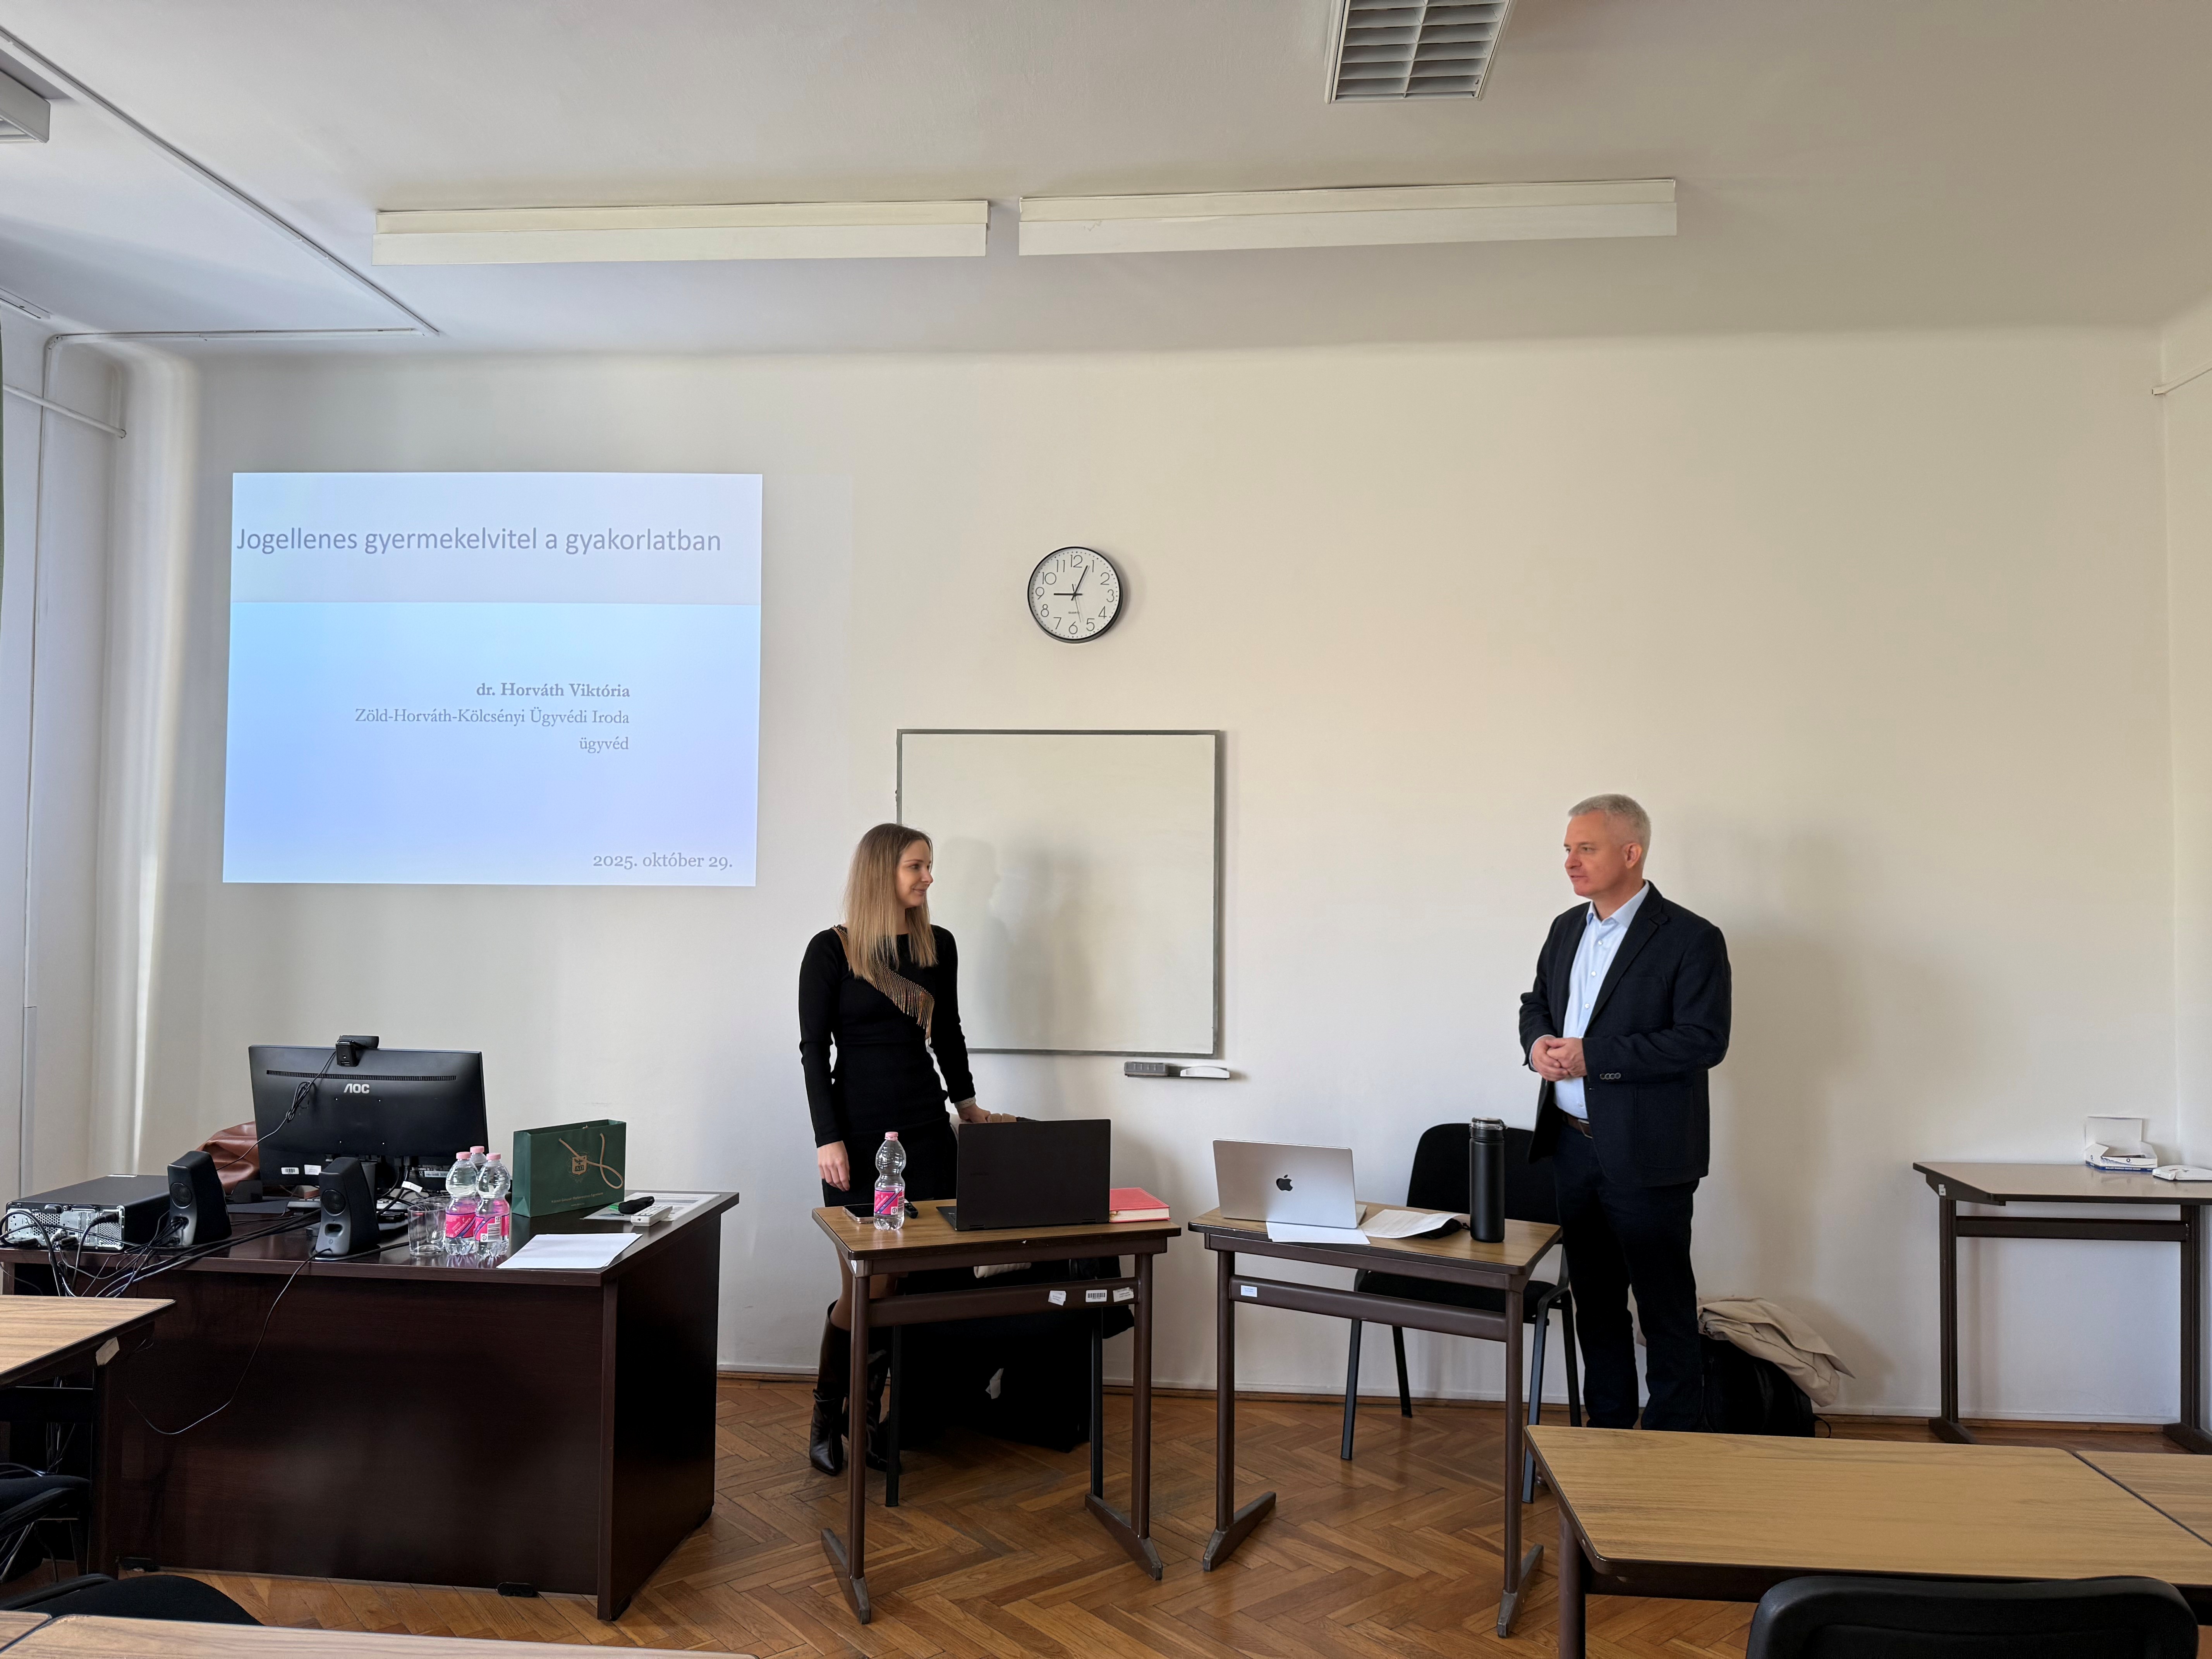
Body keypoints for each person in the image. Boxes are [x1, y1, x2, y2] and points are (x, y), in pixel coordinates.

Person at [1519, 794, 1731, 1431]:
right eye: (1567, 849)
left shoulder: (1691, 938)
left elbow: (1702, 1041)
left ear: (1632, 853)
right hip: (1572, 1148)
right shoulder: (1566, 928)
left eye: (1586, 848)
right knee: (1596, 1302)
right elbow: (1536, 1002)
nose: (1570, 862)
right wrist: (1538, 1043)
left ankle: (1671, 1447)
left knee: (1665, 1307)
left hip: (1649, 1152)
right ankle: (1606, 1438)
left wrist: (1595, 1057)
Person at [799, 823, 996, 1474]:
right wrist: (827, 1137)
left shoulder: (940, 945)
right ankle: (830, 1416)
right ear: (882, 870)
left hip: (925, 1131)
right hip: (858, 1139)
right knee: (870, 1283)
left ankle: (876, 1423)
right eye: (917, 866)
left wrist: (967, 1106)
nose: (928, 877)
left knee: (922, 1278)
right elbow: (813, 1051)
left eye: (929, 866)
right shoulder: (830, 950)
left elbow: (950, 1033)